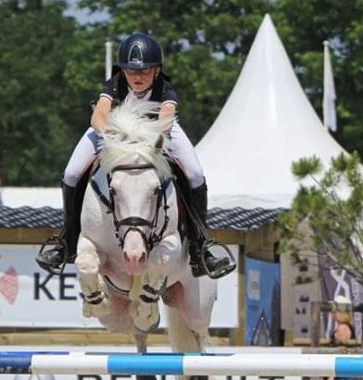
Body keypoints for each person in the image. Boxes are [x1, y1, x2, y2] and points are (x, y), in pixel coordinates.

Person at [36, 32, 235, 280]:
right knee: (72, 173)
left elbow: (165, 117)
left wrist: (153, 140)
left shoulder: (165, 89)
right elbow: (98, 117)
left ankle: (200, 247)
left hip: (155, 132)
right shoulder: (114, 84)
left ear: (157, 70)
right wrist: (113, 136)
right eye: (131, 71)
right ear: (123, 70)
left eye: (144, 70)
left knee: (195, 173)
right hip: (114, 132)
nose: (137, 77)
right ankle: (67, 241)